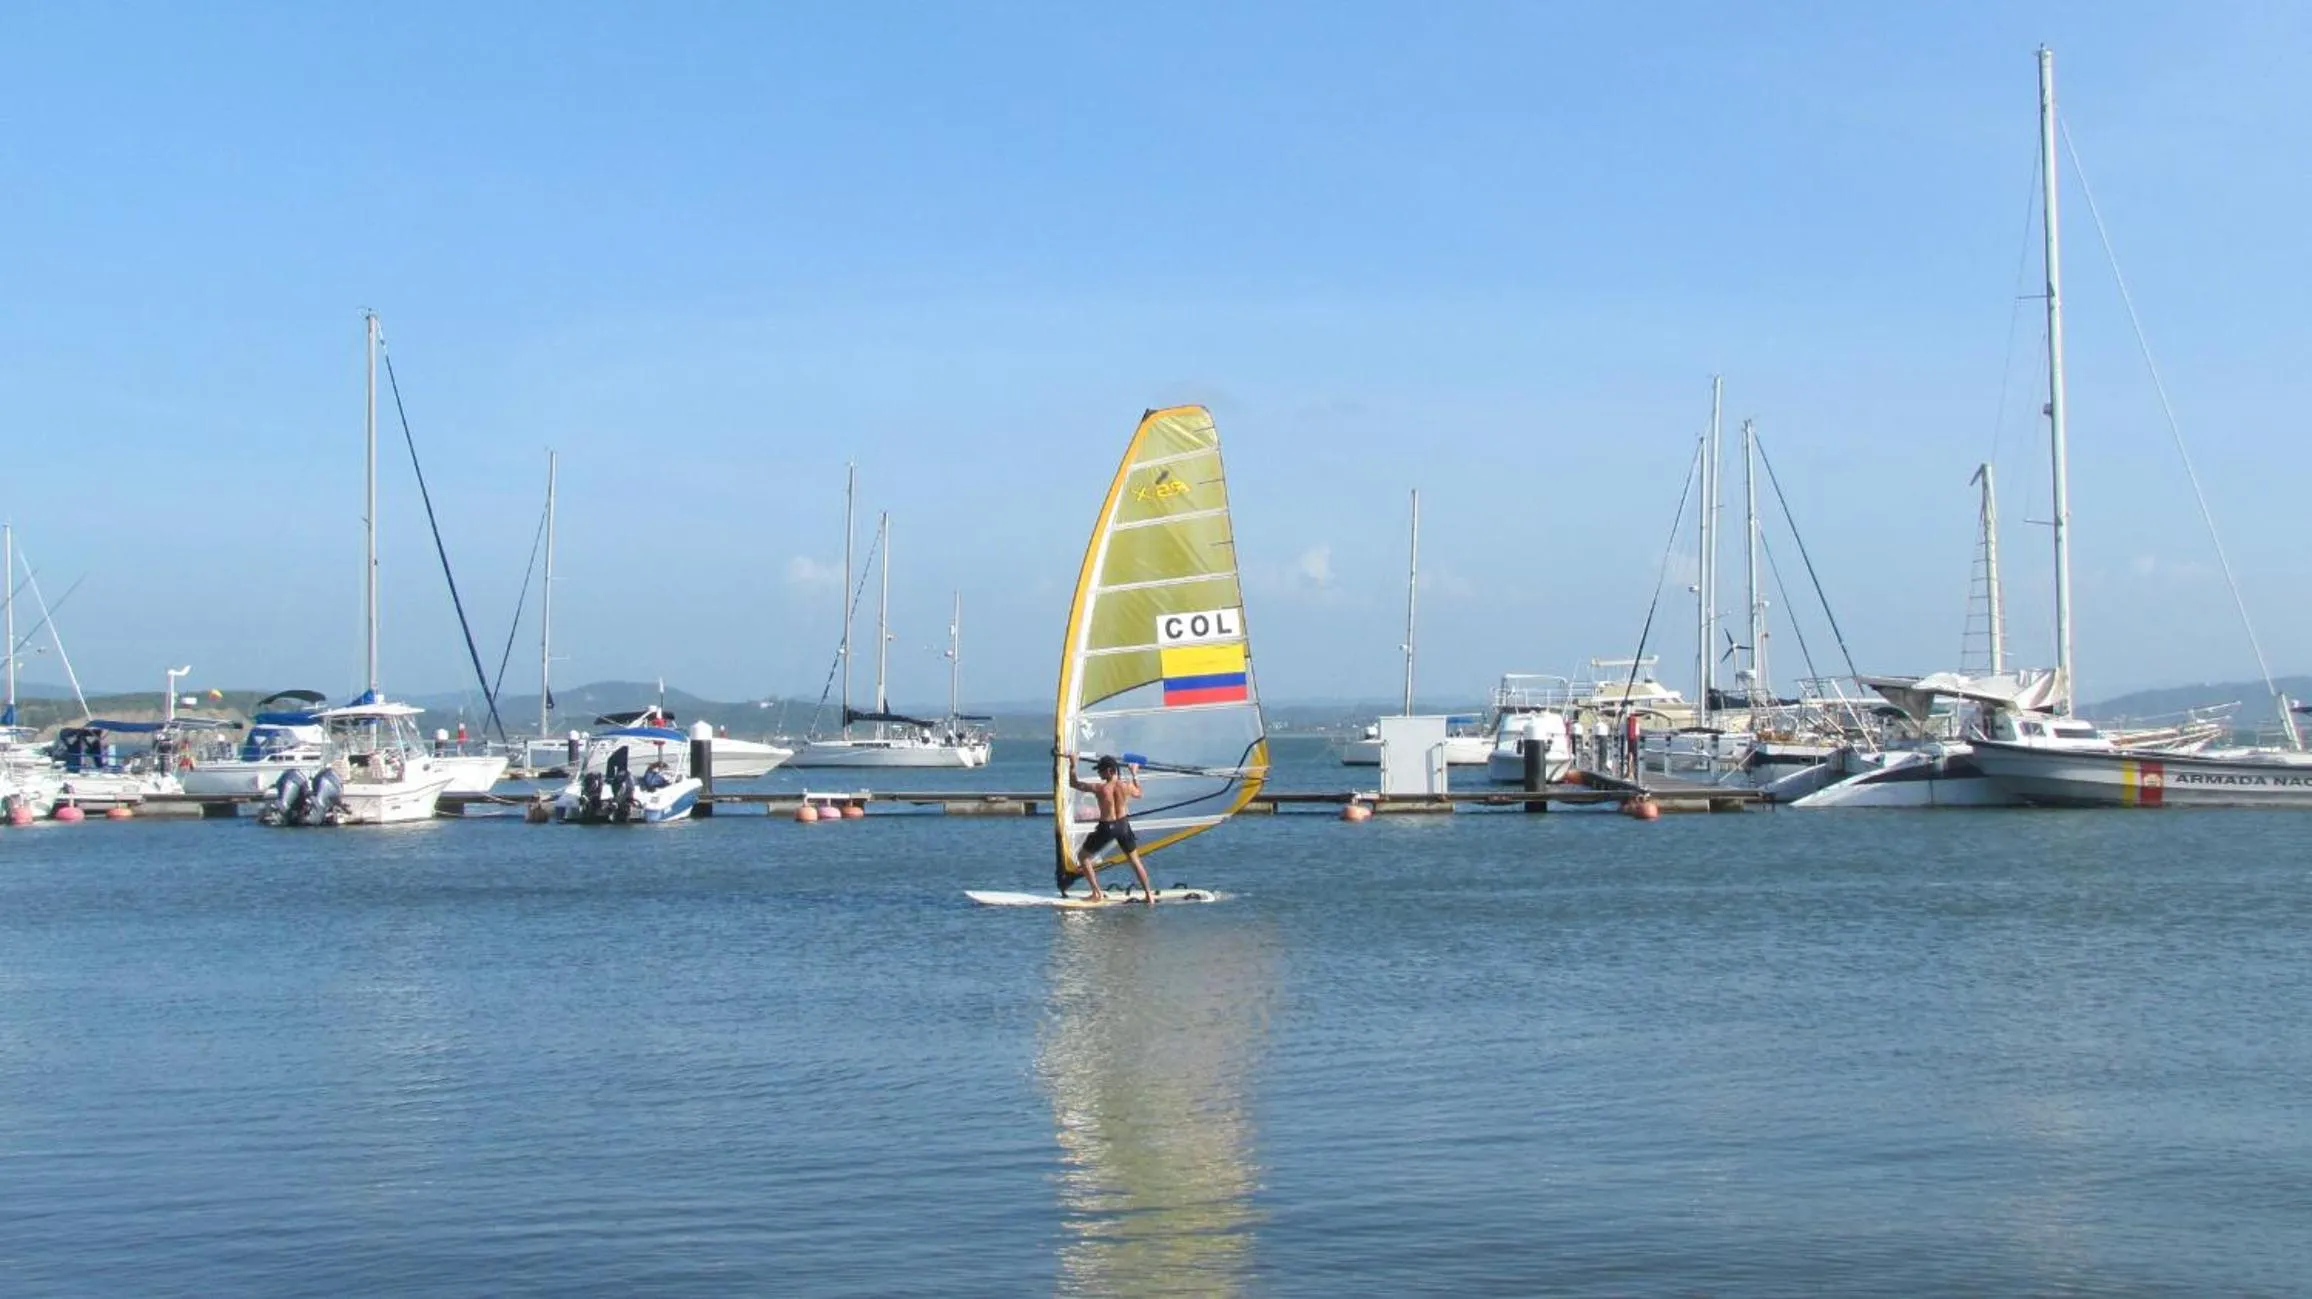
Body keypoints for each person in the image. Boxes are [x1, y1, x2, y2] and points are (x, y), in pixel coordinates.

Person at [1060, 753, 1156, 905]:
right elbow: (1139, 793)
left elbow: (1074, 783)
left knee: (1083, 857)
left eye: (1101, 770)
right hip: (1123, 826)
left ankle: (1096, 893)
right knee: (1135, 860)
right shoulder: (1126, 786)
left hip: (1107, 827)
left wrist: (1073, 764)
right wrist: (1134, 773)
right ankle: (1149, 895)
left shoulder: (1100, 788)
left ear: (1110, 771)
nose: (1099, 773)